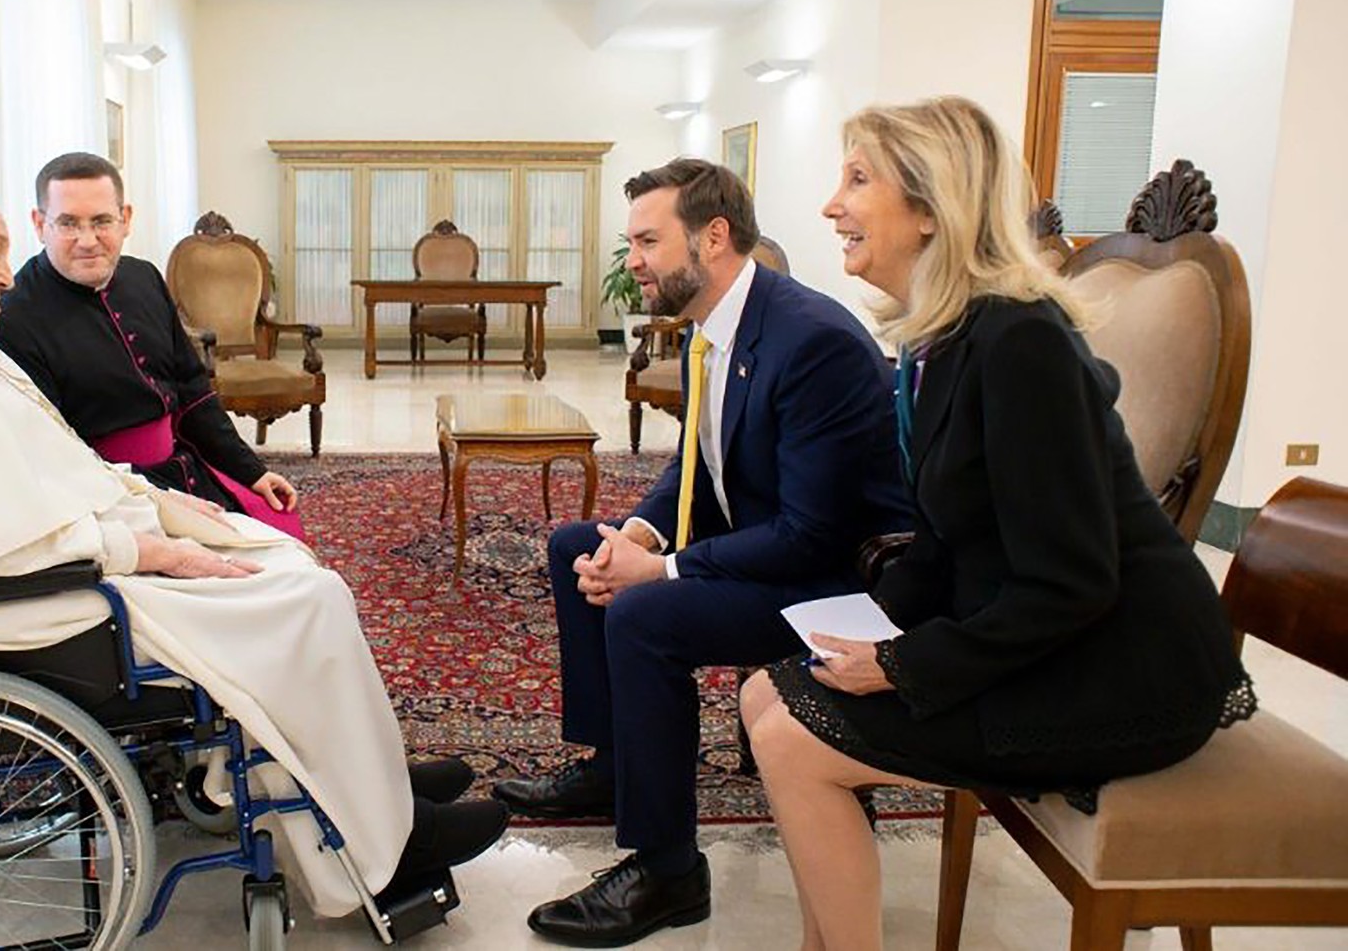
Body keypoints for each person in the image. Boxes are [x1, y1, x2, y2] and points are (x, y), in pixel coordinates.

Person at [0, 176, 507, 917]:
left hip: (55, 560)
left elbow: (38, 470)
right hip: (33, 604)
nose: (3, 275)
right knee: (303, 600)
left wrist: (164, 510)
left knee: (285, 564)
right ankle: (383, 847)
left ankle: (376, 792)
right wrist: (151, 549)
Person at [740, 96, 1256, 951]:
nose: (832, 204)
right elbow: (947, 538)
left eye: (857, 178)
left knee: (796, 741)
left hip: (1121, 663)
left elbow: (1074, 581)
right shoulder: (949, 339)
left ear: (934, 208)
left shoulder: (1021, 343)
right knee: (768, 691)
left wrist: (904, 664)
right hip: (1045, 630)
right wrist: (857, 624)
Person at [495, 158, 912, 946]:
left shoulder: (811, 340)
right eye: (633, 242)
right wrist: (642, 535)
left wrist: (664, 569)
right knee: (576, 546)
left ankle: (668, 867)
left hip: (837, 580)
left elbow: (812, 535)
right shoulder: (716, 327)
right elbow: (698, 464)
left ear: (713, 237)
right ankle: (614, 763)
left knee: (647, 613)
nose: (635, 261)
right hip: (772, 540)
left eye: (649, 240)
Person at [0, 152, 302, 538]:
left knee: (282, 529)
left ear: (126, 220)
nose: (88, 241)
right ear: (39, 225)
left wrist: (250, 470)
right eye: (68, 223)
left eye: (102, 221)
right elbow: (54, 455)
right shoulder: (13, 316)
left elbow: (193, 392)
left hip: (183, 467)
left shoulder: (143, 277)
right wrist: (149, 501)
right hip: (113, 503)